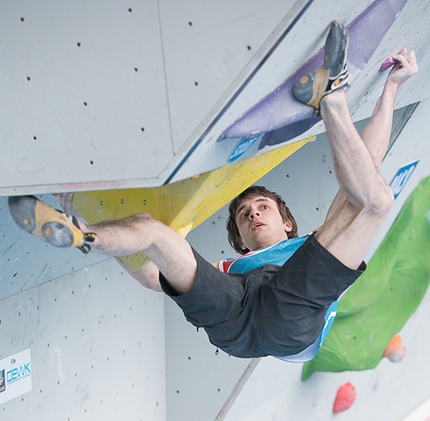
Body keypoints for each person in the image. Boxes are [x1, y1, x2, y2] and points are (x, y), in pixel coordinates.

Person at [8, 22, 417, 362]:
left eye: (262, 207)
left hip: (261, 327)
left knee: (370, 196)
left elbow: (367, 164)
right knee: (152, 232)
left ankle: (331, 98)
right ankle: (83, 235)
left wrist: (392, 88)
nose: (253, 214)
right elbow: (153, 274)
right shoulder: (234, 269)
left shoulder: (305, 247)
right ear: (239, 240)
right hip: (265, 321)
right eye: (244, 215)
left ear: (286, 222)